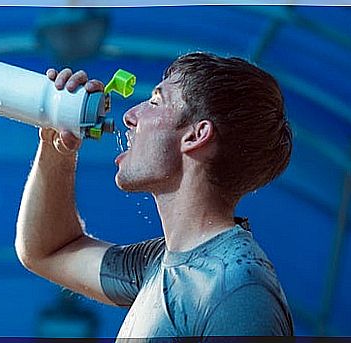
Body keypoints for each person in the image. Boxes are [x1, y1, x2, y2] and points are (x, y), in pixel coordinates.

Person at [15, 52, 294, 339]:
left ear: (196, 136)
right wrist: (57, 146)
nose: (129, 116)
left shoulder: (238, 292)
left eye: (155, 101)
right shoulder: (158, 263)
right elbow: (47, 251)